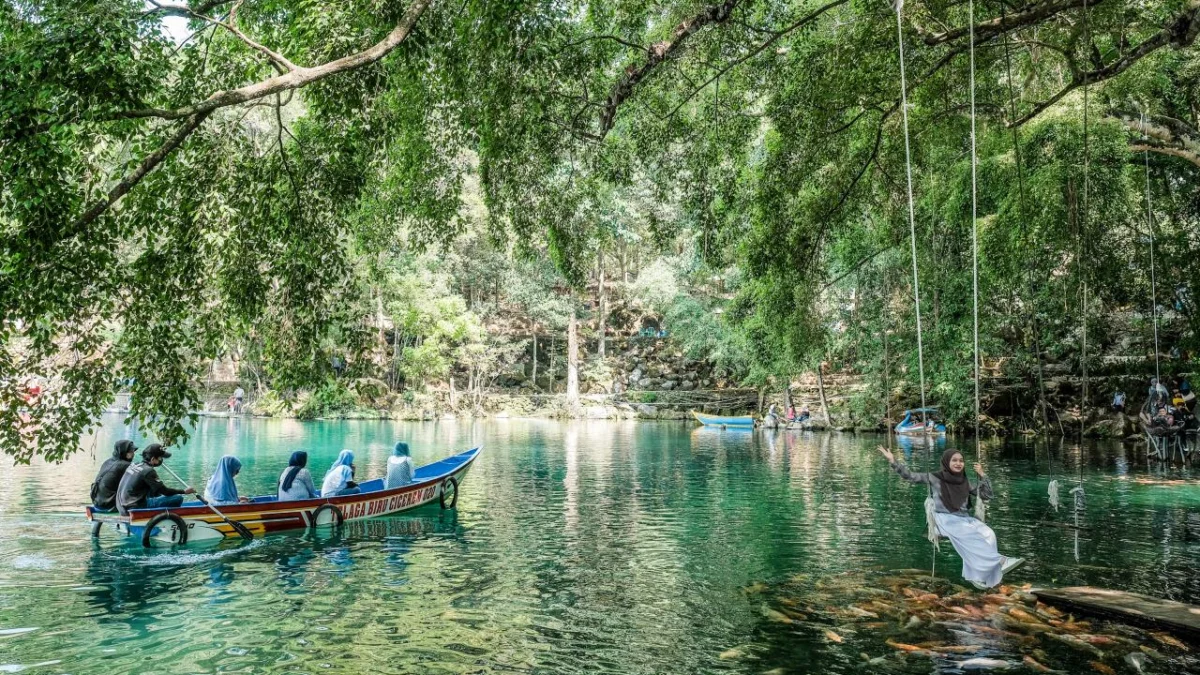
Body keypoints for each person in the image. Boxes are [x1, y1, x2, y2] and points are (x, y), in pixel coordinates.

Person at [878, 446, 1024, 590]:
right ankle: (1001, 561)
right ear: (947, 462)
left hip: (964, 519)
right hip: (943, 518)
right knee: (969, 534)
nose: (958, 463)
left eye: (961, 460)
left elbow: (987, 495)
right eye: (954, 460)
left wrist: (982, 475)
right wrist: (893, 461)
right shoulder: (935, 477)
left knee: (989, 534)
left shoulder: (965, 482)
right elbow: (911, 476)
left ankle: (980, 576)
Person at [116, 444, 195, 515]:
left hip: (121, 506)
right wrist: (184, 491)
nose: (161, 460)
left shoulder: (134, 465)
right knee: (178, 498)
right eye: (160, 458)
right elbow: (165, 492)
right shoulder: (149, 471)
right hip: (134, 508)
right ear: (153, 459)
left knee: (155, 491)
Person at [90, 440, 138, 511]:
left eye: (133, 451)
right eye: (130, 452)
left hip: (97, 502)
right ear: (123, 452)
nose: (133, 454)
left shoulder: (107, 462)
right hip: (110, 505)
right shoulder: (126, 465)